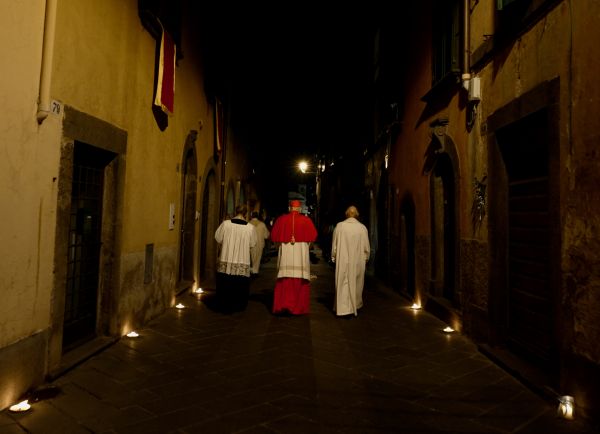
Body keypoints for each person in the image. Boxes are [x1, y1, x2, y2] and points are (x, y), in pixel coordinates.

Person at [270, 199, 318, 315]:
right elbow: (312, 239)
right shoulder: (306, 221)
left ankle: (283, 305)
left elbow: (275, 239)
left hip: (286, 256)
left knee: (284, 279)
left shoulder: (281, 220)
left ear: (289, 208)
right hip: (300, 256)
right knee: (299, 279)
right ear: (299, 209)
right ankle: (298, 308)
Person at [214, 204, 257, 313]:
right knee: (239, 284)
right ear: (245, 213)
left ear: (235, 211)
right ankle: (238, 305)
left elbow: (218, 238)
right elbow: (253, 243)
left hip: (227, 258)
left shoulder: (226, 224)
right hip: (242, 259)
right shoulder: (250, 228)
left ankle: (223, 303)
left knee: (225, 283)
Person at [331, 205, 370, 317]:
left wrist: (334, 257)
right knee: (356, 283)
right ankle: (355, 305)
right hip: (358, 261)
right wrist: (365, 258)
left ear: (346, 214)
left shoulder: (340, 226)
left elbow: (335, 245)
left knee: (343, 282)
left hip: (342, 259)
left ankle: (342, 307)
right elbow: (366, 247)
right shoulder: (362, 228)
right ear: (356, 214)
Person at [249, 211, 270, 275]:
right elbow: (266, 235)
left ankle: (251, 270)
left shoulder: (248, 224)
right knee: (258, 257)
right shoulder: (262, 224)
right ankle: (255, 271)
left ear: (251, 216)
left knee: (251, 257)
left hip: (250, 243)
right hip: (260, 243)